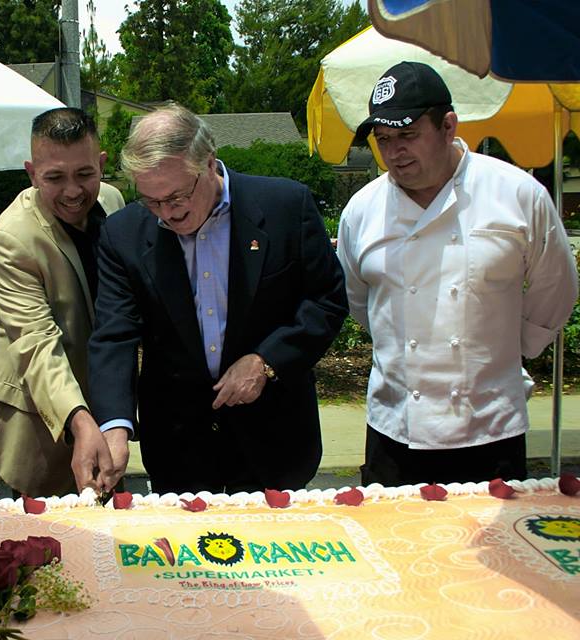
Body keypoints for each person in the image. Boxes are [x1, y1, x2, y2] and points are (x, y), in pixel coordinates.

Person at [337, 61, 579, 485]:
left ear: (448, 126)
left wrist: (507, 349)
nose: (395, 152)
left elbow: (556, 286)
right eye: (384, 139)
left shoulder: (516, 194)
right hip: (395, 430)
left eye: (408, 135)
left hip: (490, 428)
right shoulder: (362, 210)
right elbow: (359, 301)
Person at [88, 104, 348, 494]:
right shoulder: (122, 233)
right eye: (151, 201)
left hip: (273, 439)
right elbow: (114, 335)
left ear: (209, 164)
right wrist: (115, 426)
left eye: (176, 197)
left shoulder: (285, 207)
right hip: (179, 448)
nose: (167, 215)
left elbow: (326, 300)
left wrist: (267, 361)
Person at [0, 107, 126, 497]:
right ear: (31, 173)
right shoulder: (12, 238)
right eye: (54, 178)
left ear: (102, 164)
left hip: (103, 405)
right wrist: (79, 421)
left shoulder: (113, 201)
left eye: (85, 174)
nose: (73, 191)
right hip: (39, 417)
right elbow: (36, 343)